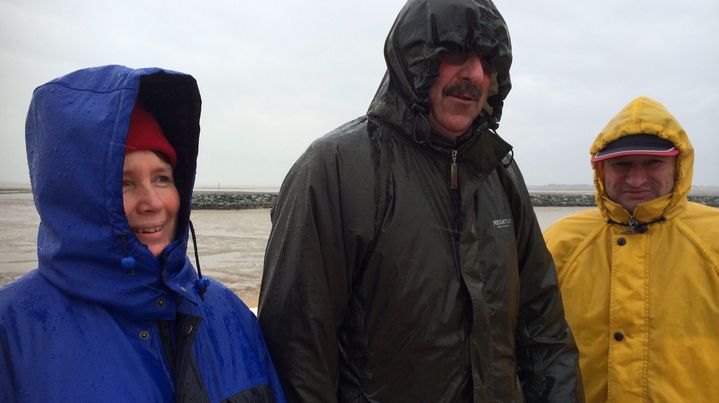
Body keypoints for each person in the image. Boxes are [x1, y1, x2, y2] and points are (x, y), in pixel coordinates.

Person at [258, 0, 582, 401]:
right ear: (413, 60)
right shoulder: (335, 169)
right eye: (457, 53)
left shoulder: (500, 173)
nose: (475, 74)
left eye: (487, 60)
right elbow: (296, 353)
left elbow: (544, 332)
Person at [0, 65, 285, 402]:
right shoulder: (15, 331)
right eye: (123, 182)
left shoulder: (227, 313)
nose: (153, 202)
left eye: (162, 177)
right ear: (77, 197)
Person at [543, 96, 719, 402]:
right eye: (621, 164)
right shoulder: (559, 242)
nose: (636, 179)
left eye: (653, 163)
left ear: (678, 164)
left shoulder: (713, 239)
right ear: (600, 170)